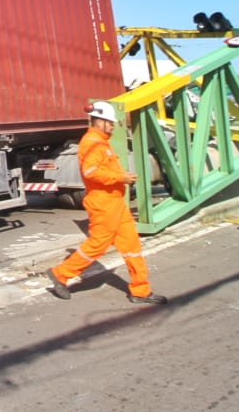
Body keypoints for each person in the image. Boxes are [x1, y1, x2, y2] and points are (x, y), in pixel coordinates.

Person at [47, 101, 168, 304]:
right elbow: (91, 172)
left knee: (132, 245)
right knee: (98, 244)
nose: (113, 127)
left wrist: (121, 175)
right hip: (103, 203)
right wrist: (120, 178)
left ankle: (140, 290)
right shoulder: (92, 142)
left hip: (114, 203)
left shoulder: (101, 142)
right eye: (111, 123)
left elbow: (103, 169)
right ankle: (61, 274)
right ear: (101, 121)